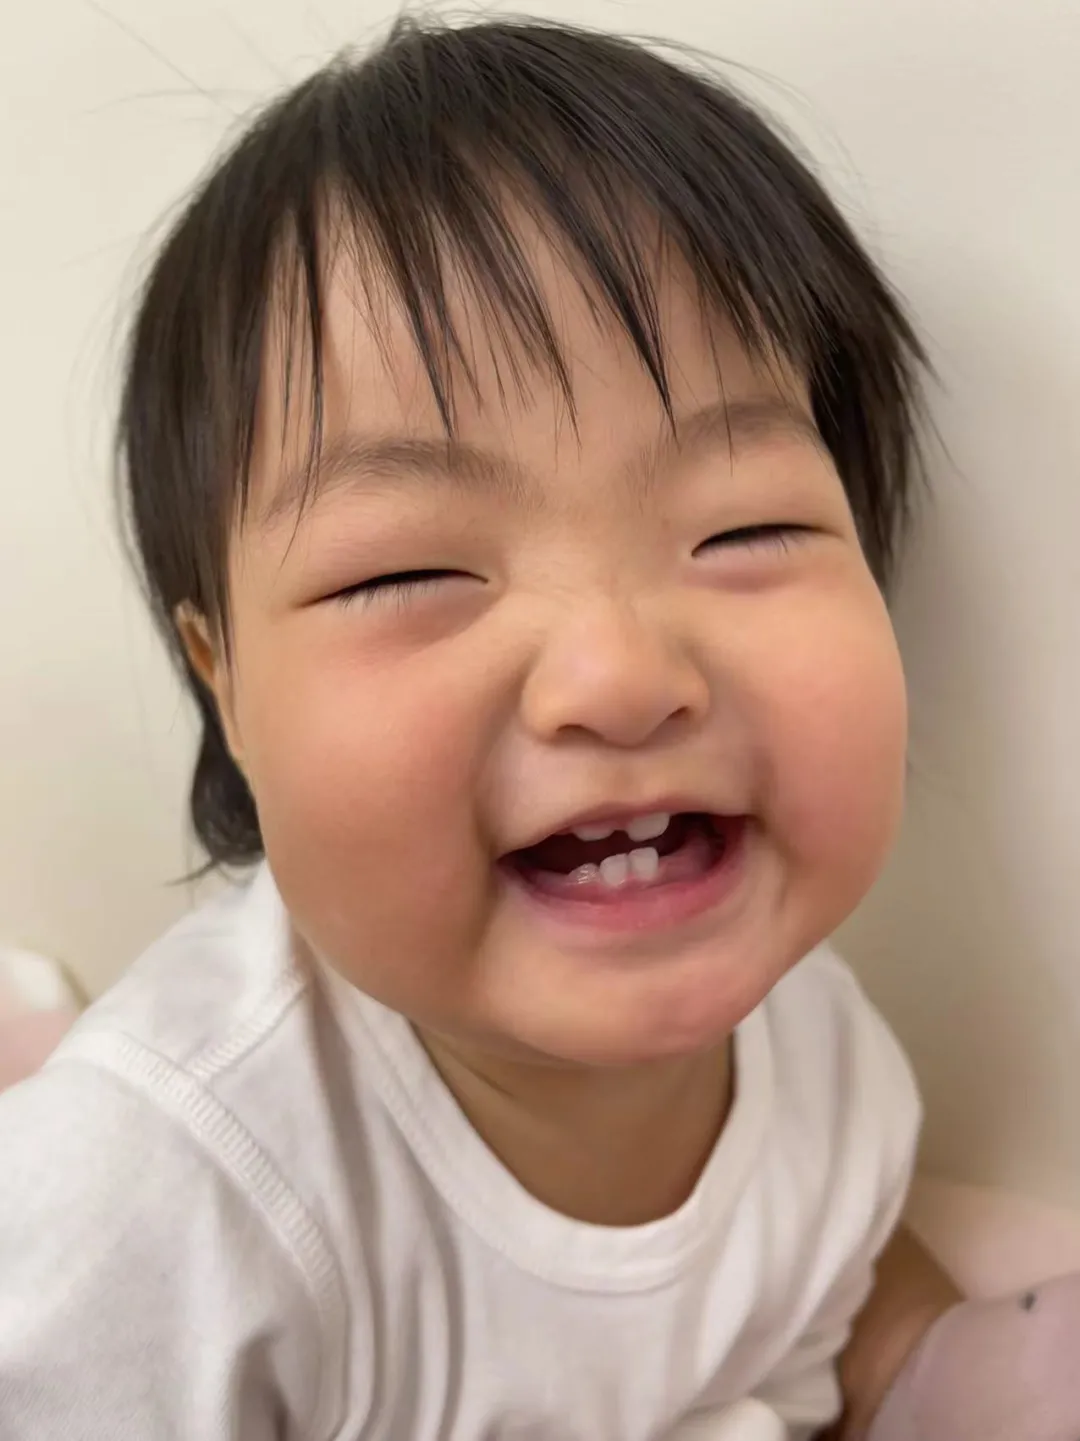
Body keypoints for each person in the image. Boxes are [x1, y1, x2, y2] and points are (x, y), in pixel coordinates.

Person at [1, 16, 1077, 1440]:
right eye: (407, 572)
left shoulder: (817, 1041)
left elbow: (835, 1300)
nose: (619, 676)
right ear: (227, 686)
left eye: (744, 529)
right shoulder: (148, 1210)